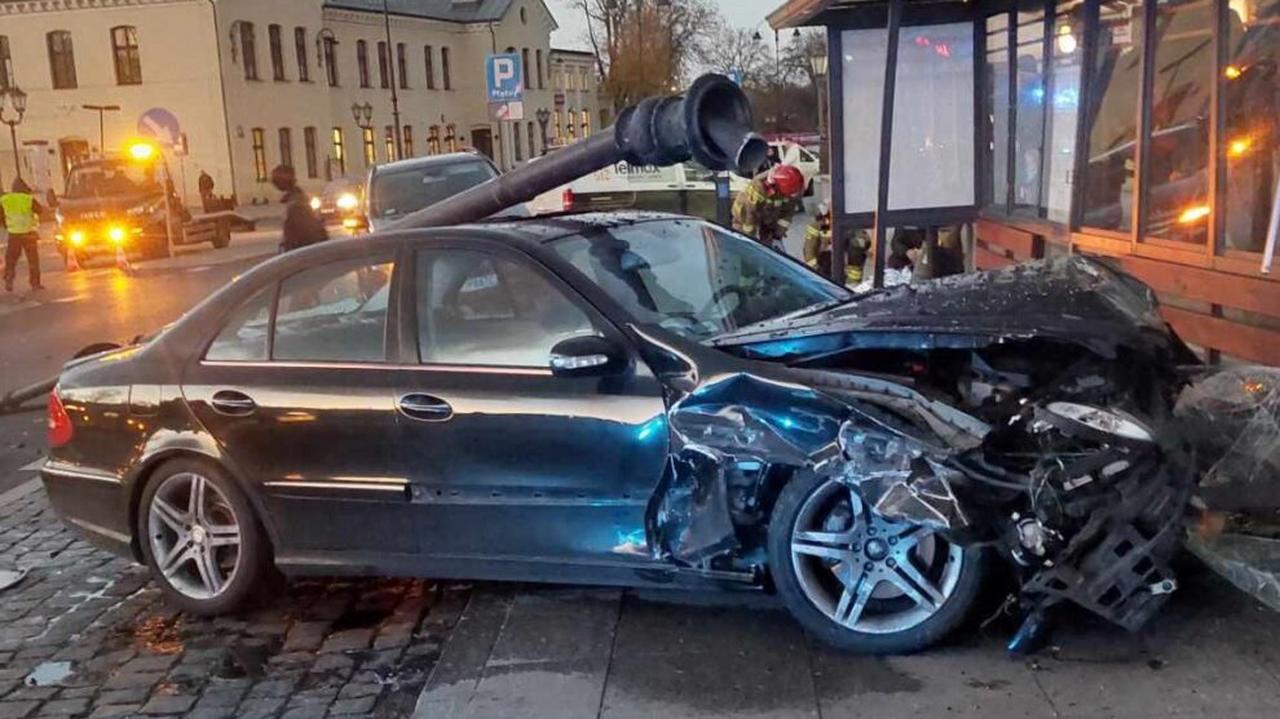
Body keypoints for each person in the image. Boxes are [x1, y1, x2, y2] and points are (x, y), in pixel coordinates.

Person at [731, 164, 805, 251]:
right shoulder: (758, 187)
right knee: (745, 250)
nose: (793, 195)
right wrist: (750, 239)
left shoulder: (794, 186)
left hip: (767, 219)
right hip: (744, 219)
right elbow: (749, 216)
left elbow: (787, 214)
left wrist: (777, 237)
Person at [802, 203, 867, 286]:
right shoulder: (817, 226)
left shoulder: (851, 225)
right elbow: (809, 251)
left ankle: (851, 286)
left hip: (846, 259)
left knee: (856, 254)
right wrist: (816, 269)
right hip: (824, 260)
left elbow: (864, 241)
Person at [1, 178, 45, 292]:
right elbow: (40, 210)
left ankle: (9, 279)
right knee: (33, 260)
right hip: (29, 233)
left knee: (11, 259)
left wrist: (6, 225)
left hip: (14, 234)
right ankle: (35, 284)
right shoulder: (28, 199)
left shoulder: (5, 200)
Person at [272, 165, 327, 253]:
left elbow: (302, 234)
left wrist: (290, 249)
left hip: (302, 253)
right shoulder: (295, 199)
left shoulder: (296, 203)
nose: (274, 184)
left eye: (276, 181)